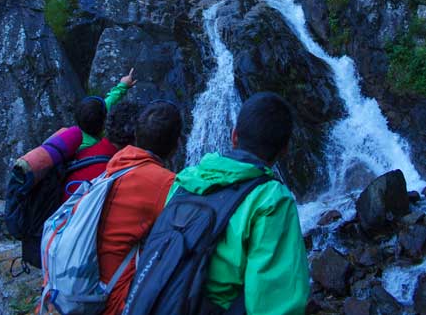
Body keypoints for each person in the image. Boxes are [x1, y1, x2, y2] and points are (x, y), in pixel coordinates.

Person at [166, 92, 310, 315]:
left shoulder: (184, 181)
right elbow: (274, 305)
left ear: (234, 136)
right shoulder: (271, 198)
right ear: (285, 149)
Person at [97, 100, 183, 315]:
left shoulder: (117, 163)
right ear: (176, 146)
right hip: (113, 300)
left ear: (136, 136)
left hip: (83, 284)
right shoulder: (165, 184)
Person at [63, 69, 138, 199]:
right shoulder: (89, 150)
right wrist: (123, 85)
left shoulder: (74, 138)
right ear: (104, 123)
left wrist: (123, 85)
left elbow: (107, 103)